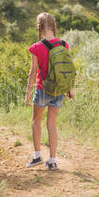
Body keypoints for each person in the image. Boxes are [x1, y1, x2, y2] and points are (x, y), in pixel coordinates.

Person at [25, 12, 73, 171]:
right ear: (53, 26)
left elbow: (33, 72)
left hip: (42, 89)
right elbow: (64, 69)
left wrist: (28, 92)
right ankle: (52, 160)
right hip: (59, 90)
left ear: (39, 27)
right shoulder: (64, 45)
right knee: (51, 124)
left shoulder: (36, 47)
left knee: (35, 121)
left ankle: (37, 156)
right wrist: (69, 89)